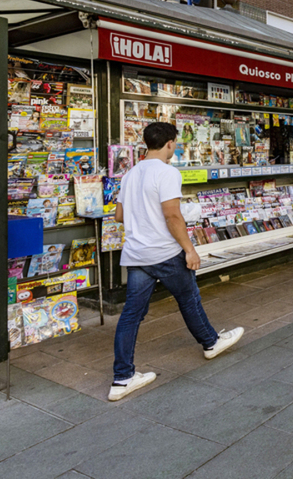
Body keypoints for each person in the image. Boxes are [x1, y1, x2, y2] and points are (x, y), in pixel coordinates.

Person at [109, 122, 243, 401]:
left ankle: (122, 379)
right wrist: (189, 249)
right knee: (189, 299)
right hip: (164, 252)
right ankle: (211, 342)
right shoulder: (167, 173)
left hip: (137, 254)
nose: (176, 148)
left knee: (131, 314)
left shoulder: (130, 174)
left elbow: (119, 216)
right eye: (176, 143)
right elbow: (172, 216)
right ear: (169, 143)